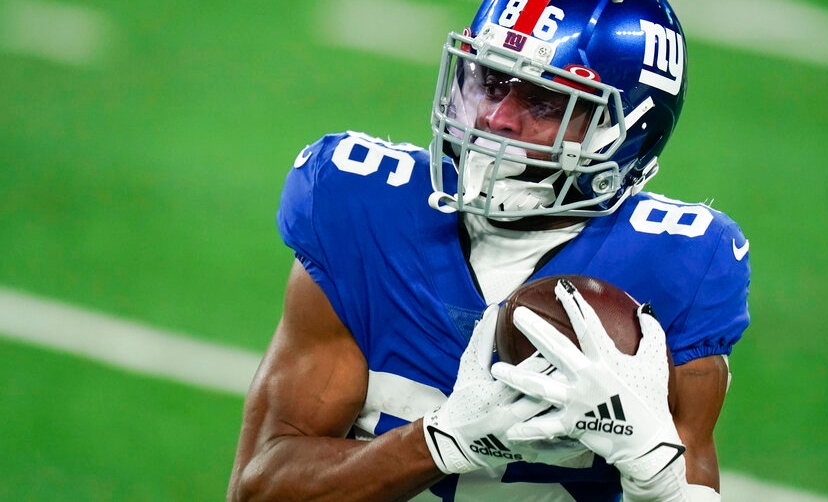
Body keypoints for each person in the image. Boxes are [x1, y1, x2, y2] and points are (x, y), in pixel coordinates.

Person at [227, 0, 750, 500]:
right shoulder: (358, 206)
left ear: (625, 131)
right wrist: (442, 442)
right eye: (492, 80)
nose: (496, 117)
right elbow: (260, 488)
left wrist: (657, 480)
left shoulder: (682, 264)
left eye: (544, 101)